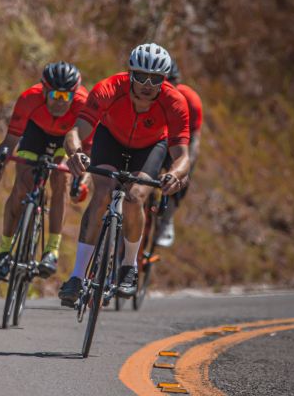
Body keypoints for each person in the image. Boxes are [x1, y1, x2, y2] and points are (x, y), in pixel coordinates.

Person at [58, 43, 191, 305]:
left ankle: (129, 267)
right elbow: (76, 131)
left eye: (155, 79)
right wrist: (75, 154)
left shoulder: (175, 102)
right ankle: (76, 276)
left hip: (151, 147)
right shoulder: (109, 88)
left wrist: (174, 174)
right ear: (130, 74)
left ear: (164, 80)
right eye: (140, 76)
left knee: (134, 197)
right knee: (103, 194)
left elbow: (182, 156)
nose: (147, 84)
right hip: (111, 139)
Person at [0, 61, 90, 280]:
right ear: (43, 89)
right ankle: (4, 252)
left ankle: (51, 251)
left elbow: (87, 150)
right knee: (21, 186)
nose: (59, 103)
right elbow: (10, 141)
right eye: (54, 95)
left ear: (75, 95)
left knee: (61, 180)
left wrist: (82, 180)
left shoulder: (83, 104)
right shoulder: (29, 99)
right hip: (36, 134)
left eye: (65, 97)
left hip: (68, 140)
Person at [155, 61, 203, 247]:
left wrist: (186, 166)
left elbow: (195, 140)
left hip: (180, 143)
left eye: (171, 83)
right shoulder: (152, 97)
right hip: (158, 140)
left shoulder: (191, 100)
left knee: (183, 174)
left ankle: (167, 220)